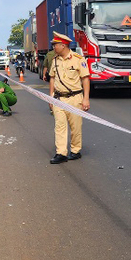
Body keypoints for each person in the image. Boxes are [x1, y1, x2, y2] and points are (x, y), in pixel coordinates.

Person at [48, 31, 90, 164]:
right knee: (59, 126)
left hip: (75, 98)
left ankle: (75, 150)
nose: (54, 47)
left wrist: (86, 99)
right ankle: (61, 153)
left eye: (55, 45)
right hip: (59, 99)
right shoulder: (54, 60)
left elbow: (85, 79)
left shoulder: (78, 59)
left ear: (63, 45)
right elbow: (52, 78)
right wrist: (51, 97)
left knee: (75, 127)